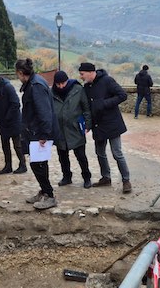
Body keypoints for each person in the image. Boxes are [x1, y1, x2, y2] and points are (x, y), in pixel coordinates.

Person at [78, 62, 132, 194]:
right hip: (98, 125)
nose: (81, 76)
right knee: (100, 153)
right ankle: (106, 177)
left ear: (91, 72)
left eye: (82, 74)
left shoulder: (107, 81)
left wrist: (104, 103)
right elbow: (87, 108)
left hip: (112, 123)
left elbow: (122, 95)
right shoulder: (87, 87)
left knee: (117, 153)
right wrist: (88, 124)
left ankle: (126, 180)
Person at [15, 58, 60, 210]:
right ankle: (44, 191)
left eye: (17, 74)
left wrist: (43, 135)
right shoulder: (33, 82)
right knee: (39, 163)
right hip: (35, 131)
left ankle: (49, 195)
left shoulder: (36, 86)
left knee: (38, 164)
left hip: (39, 133)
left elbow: (44, 112)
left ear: (21, 73)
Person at [51, 70, 93, 189]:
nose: (60, 86)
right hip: (59, 130)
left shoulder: (78, 90)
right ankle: (67, 177)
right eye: (58, 84)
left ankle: (86, 177)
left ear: (67, 80)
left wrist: (88, 125)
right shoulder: (51, 93)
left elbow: (86, 108)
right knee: (62, 156)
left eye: (63, 83)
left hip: (75, 128)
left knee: (81, 156)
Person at [0, 71, 27, 175]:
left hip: (13, 121)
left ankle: (23, 165)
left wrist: (7, 117)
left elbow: (15, 104)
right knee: (5, 144)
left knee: (17, 144)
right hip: (2, 122)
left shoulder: (7, 87)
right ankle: (8, 166)